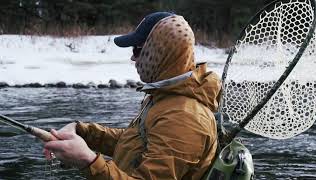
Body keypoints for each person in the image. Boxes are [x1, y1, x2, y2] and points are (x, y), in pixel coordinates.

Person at [44, 11, 222, 180]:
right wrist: (83, 132)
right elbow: (134, 143)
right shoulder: (166, 97)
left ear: (162, 51)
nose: (133, 59)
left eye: (137, 50)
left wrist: (88, 161)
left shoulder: (184, 118)